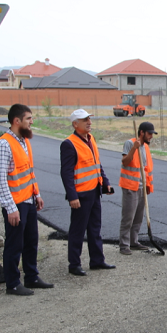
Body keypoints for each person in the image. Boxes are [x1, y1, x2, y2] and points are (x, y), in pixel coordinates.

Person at [0, 104, 53, 296]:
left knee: (31, 241)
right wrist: (10, 207)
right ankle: (12, 283)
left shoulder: (24, 142)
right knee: (14, 244)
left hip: (28, 200)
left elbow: (28, 172)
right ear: (16, 121)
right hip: (16, 204)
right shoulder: (4, 144)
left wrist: (36, 194)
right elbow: (0, 179)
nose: (32, 122)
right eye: (29, 118)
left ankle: (31, 277)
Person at [60, 109, 116, 276]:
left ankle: (97, 260)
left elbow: (97, 164)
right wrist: (72, 196)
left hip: (94, 191)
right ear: (75, 124)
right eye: (85, 120)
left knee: (94, 228)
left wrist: (105, 183)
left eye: (89, 119)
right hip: (81, 195)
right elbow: (66, 173)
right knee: (77, 230)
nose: (89, 122)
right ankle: (74, 264)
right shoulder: (69, 144)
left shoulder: (91, 139)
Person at [119, 121, 156, 255]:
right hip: (130, 186)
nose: (151, 136)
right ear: (142, 132)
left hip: (141, 186)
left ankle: (133, 242)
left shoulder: (145, 147)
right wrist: (134, 148)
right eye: (149, 133)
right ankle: (124, 245)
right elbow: (125, 161)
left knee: (138, 217)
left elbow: (145, 168)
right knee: (128, 217)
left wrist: (147, 185)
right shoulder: (130, 143)